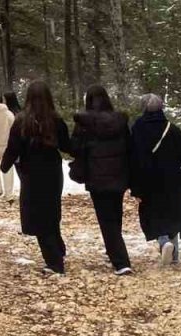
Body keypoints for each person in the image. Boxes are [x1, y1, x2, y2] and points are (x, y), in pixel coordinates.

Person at [0, 80, 71, 274]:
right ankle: (59, 249)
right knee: (51, 209)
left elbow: (13, 147)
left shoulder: (22, 120)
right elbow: (66, 146)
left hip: (31, 172)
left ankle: (55, 262)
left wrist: (4, 166)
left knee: (38, 216)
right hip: (53, 171)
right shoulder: (55, 119)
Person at [130, 94, 181, 266]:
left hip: (148, 182)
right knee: (173, 216)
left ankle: (163, 242)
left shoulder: (137, 129)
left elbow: (132, 160)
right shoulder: (173, 129)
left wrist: (135, 188)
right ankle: (174, 255)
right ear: (161, 108)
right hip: (175, 181)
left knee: (153, 216)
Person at [70, 85, 133, 274]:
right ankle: (114, 249)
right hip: (119, 175)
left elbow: (75, 148)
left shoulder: (84, 123)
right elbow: (129, 147)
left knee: (106, 220)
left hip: (97, 177)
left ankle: (121, 261)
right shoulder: (120, 122)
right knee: (115, 214)